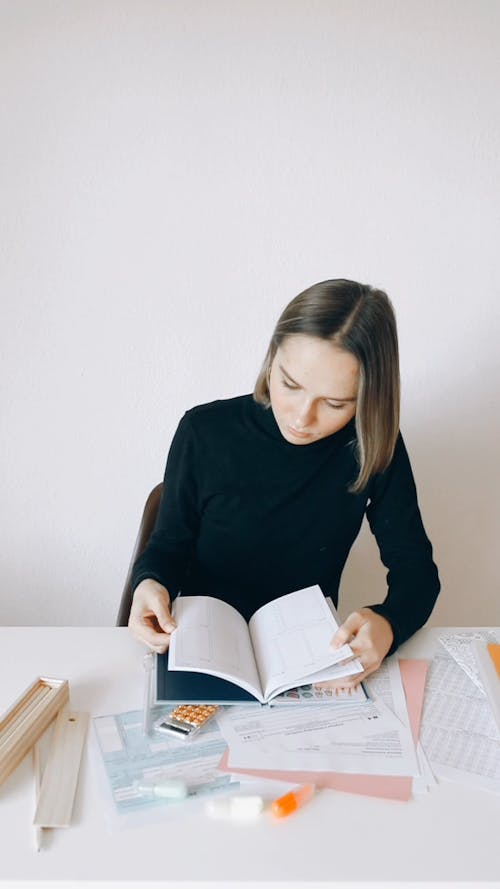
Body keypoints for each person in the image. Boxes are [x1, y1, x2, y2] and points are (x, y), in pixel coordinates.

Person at [128, 279, 440, 688]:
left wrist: (389, 623)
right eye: (290, 384)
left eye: (335, 403)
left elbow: (417, 574)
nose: (301, 417)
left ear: (368, 397)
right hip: (201, 651)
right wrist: (149, 583)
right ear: (272, 358)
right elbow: (168, 546)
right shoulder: (204, 431)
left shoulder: (374, 445)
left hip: (306, 663)